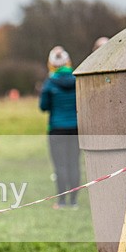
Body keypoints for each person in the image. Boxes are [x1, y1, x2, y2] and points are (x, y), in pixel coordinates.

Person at [40, 46, 80, 209]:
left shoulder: (49, 83)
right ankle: (74, 200)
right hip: (75, 128)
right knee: (74, 163)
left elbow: (43, 106)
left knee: (60, 165)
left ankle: (62, 201)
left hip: (57, 128)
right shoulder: (77, 80)